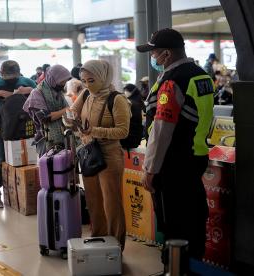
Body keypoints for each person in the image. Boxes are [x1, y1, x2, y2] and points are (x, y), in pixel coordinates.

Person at [137, 28, 214, 268]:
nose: (153, 58)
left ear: (167, 54)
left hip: (172, 164)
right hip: (197, 156)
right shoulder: (201, 76)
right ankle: (195, 266)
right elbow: (207, 119)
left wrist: (150, 169)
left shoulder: (172, 82)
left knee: (174, 223)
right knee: (194, 216)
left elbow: (161, 131)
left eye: (155, 53)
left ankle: (175, 270)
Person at [71, 60, 130, 250]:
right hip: (89, 153)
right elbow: (73, 112)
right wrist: (71, 121)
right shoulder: (87, 94)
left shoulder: (117, 99)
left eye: (91, 80)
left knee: (111, 204)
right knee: (93, 201)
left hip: (109, 156)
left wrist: (95, 131)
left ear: (103, 77)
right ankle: (98, 241)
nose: (87, 85)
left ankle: (115, 246)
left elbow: (123, 131)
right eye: (83, 80)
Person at [0, 60, 36, 208]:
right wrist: (0, 93)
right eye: (7, 76)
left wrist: (28, 90)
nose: (10, 79)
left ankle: (19, 191)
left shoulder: (26, 81)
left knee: (26, 160)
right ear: (1, 73)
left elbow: (40, 93)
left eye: (13, 76)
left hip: (24, 126)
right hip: (1, 127)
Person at [23, 65, 71, 156]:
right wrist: (65, 110)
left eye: (65, 81)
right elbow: (44, 117)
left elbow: (67, 110)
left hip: (62, 136)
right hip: (45, 139)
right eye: (62, 81)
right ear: (53, 79)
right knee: (48, 166)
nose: (64, 84)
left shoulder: (58, 92)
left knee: (63, 167)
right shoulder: (37, 93)